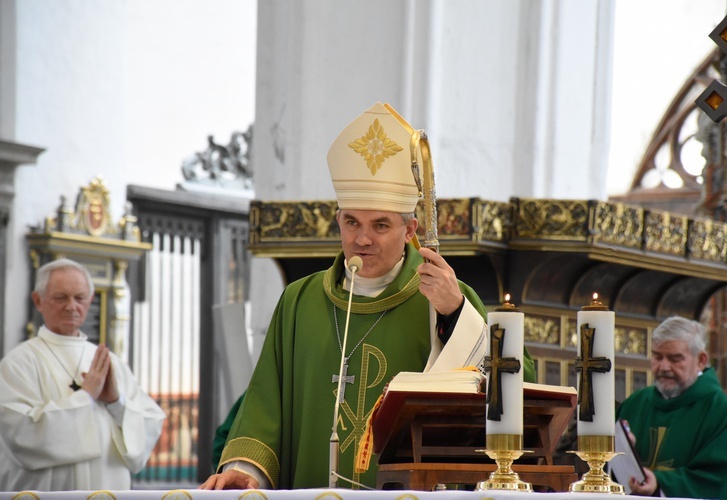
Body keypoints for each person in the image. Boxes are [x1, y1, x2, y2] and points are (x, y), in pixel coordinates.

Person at [200, 102, 536, 491]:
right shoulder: (299, 302)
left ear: (410, 229)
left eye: (380, 225)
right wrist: (248, 472)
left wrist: (457, 314)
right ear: (338, 220)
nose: (362, 239)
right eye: (351, 222)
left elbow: (517, 387)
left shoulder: (442, 299)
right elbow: (264, 405)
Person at [0, 258, 166, 490]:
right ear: (38, 301)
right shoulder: (19, 364)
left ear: (90, 301)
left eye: (79, 298)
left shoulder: (110, 362)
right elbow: (20, 435)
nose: (71, 306)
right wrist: (85, 396)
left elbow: (151, 423)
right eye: (61, 297)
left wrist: (116, 403)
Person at [616, 316, 727, 499]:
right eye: (657, 356)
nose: (663, 367)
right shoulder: (635, 404)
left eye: (675, 358)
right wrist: (621, 451)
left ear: (701, 360)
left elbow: (719, 479)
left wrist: (660, 483)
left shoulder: (718, 409)